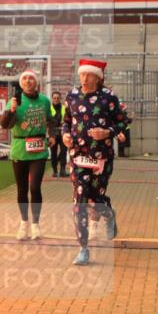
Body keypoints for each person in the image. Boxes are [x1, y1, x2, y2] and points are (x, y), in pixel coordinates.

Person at [61, 58, 130, 266]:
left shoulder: (108, 97)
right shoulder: (72, 96)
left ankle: (107, 212)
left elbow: (122, 121)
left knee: (95, 198)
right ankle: (83, 248)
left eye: (89, 75)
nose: (84, 78)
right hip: (78, 156)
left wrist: (107, 132)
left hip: (101, 156)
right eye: (82, 74)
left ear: (98, 78)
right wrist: (65, 135)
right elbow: (65, 122)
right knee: (80, 201)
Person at [0, 69, 53, 240]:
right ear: (21, 83)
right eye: (25, 79)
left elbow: (52, 120)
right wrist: (11, 111)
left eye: (31, 78)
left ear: (36, 82)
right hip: (20, 148)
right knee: (22, 189)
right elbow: (5, 125)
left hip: (38, 149)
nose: (28, 81)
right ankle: (24, 223)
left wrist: (52, 135)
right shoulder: (14, 101)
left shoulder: (44, 101)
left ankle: (36, 225)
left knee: (35, 187)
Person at [47, 90, 66, 178]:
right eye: (54, 98)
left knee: (63, 152)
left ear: (60, 99)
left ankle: (62, 170)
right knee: (53, 153)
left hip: (62, 132)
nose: (56, 99)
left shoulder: (64, 108)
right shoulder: (48, 109)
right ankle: (55, 171)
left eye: (58, 98)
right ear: (52, 99)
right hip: (52, 133)